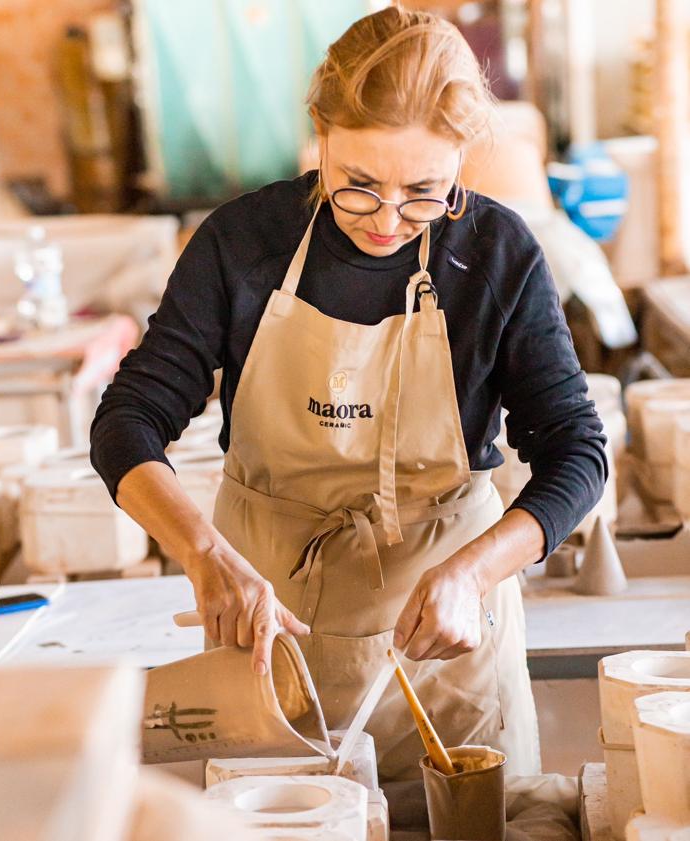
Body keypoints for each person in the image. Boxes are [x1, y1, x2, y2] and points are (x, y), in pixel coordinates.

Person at [90, 6, 607, 780]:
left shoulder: (496, 254)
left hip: (447, 655)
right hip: (268, 646)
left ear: (462, 160)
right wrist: (201, 551)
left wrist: (475, 571)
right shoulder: (243, 243)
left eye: (426, 191)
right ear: (319, 136)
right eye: (357, 186)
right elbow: (129, 417)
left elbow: (577, 449)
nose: (389, 222)